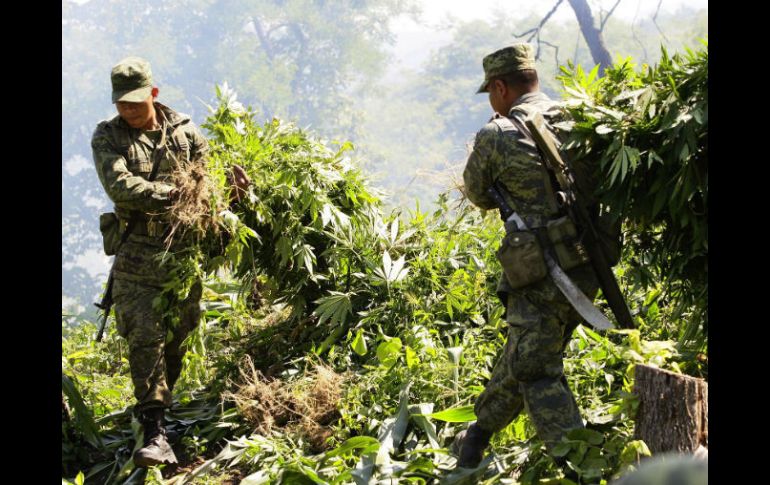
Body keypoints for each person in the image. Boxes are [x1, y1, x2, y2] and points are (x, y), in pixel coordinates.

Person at [91, 56, 249, 467]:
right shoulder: (107, 137)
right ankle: (153, 428)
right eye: (121, 103)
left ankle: (157, 414)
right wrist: (179, 196)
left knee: (179, 337)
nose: (127, 110)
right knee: (145, 339)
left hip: (180, 259)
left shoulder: (185, 132)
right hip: (136, 260)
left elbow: (208, 185)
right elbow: (121, 186)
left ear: (153, 94)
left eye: (135, 103)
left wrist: (232, 193)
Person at [452, 43, 602, 472]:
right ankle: (476, 436)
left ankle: (583, 469)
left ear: (500, 87)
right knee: (526, 352)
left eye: (491, 92)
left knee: (537, 372)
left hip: (540, 274)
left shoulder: (496, 135)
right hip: (586, 266)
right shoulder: (580, 118)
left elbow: (478, 193)